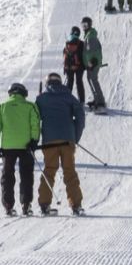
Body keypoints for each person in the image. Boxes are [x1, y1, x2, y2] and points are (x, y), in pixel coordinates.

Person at [36, 73, 86, 216]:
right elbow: (80, 115)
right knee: (69, 171)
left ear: (47, 84)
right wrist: (75, 136)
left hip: (49, 141)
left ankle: (44, 205)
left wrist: (35, 138)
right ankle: (76, 206)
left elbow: (33, 118)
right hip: (67, 140)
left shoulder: (41, 99)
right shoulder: (68, 96)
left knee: (49, 170)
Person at [0, 83, 41, 216]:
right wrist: (34, 141)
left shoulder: (2, 107)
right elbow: (35, 124)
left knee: (7, 175)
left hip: (8, 148)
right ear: (24, 93)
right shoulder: (30, 106)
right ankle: (26, 205)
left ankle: (8, 205)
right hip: (26, 147)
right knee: (26, 175)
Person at [81, 17, 106, 112]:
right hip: (90, 64)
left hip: (93, 65)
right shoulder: (88, 36)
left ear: (89, 25)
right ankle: (97, 99)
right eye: (83, 25)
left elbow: (95, 52)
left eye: (86, 25)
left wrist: (93, 62)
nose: (84, 27)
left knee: (93, 81)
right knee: (91, 80)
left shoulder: (91, 37)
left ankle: (100, 103)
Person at [63, 26, 86, 104]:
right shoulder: (82, 43)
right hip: (79, 67)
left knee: (69, 82)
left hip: (69, 67)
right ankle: (81, 100)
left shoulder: (67, 42)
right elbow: (84, 56)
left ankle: (66, 99)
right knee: (79, 82)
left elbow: (64, 54)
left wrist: (66, 67)